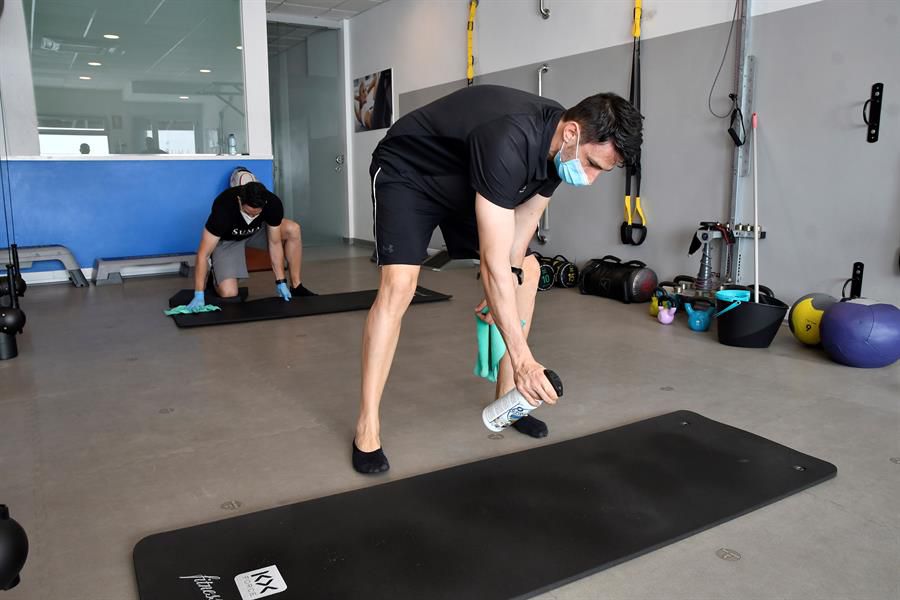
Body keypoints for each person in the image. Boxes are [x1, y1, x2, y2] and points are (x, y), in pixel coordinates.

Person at [352, 84, 643, 474]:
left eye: (600, 172)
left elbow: (524, 223)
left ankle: (509, 397)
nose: (590, 179)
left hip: (466, 180)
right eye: (591, 164)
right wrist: (524, 357)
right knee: (399, 286)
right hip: (409, 172)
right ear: (572, 132)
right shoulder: (510, 138)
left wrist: (510, 279)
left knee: (529, 271)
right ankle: (367, 425)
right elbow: (491, 265)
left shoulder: (560, 147)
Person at [185, 181, 315, 310]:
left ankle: (296, 286)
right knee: (229, 293)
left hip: (256, 232)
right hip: (228, 241)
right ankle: (215, 277)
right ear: (239, 201)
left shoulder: (272, 203)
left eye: (256, 213)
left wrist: (280, 281)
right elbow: (203, 254)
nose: (251, 216)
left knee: (293, 229)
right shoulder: (223, 206)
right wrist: (199, 293)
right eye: (247, 213)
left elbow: (274, 243)